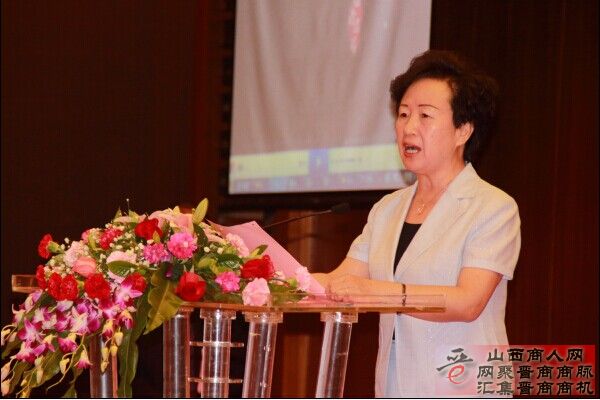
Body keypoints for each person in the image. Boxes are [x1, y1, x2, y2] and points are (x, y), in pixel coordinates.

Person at [312, 50, 521, 397]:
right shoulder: (387, 209)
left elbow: (468, 302)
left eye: (425, 115)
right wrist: (267, 278)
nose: (408, 128)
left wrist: (378, 292)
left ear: (463, 130)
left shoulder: (493, 207)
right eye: (403, 114)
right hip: (396, 383)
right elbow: (340, 281)